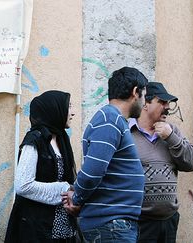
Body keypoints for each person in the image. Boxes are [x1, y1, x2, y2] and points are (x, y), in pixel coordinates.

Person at [62, 66, 148, 242]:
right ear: (135, 92)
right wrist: (77, 198)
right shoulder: (109, 119)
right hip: (110, 226)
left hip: (114, 225)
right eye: (144, 95)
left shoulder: (114, 120)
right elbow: (93, 170)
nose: (145, 103)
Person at [5, 90, 79, 243]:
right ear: (54, 109)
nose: (73, 113)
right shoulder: (34, 140)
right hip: (36, 229)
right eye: (69, 106)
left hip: (63, 228)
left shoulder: (62, 139)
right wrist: (62, 189)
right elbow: (23, 185)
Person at [128, 82, 193, 243]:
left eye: (168, 103)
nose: (168, 107)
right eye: (162, 102)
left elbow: (192, 163)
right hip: (139, 223)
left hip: (169, 221)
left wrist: (171, 137)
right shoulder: (127, 135)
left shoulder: (172, 132)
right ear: (145, 103)